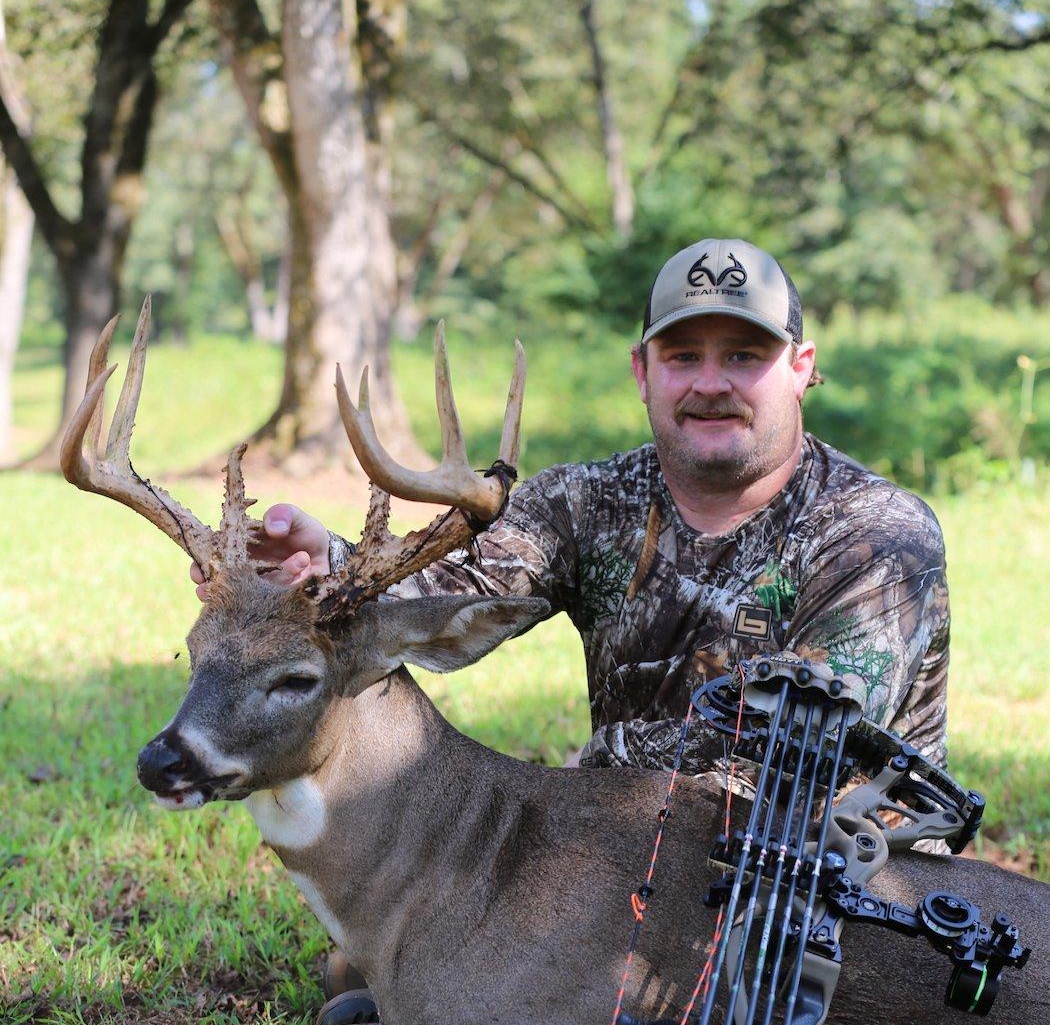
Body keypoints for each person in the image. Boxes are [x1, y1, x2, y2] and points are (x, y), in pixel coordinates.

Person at [195, 236, 949, 781]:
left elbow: (801, 739)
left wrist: (582, 775)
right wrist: (330, 569)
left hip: (843, 887)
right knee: (377, 965)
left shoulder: (876, 537)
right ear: (642, 372)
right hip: (637, 850)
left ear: (801, 370)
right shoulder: (590, 502)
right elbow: (455, 592)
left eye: (744, 356)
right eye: (684, 356)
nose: (711, 383)